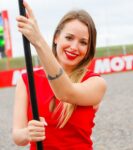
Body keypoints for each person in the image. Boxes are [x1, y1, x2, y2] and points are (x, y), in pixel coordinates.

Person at [12, 1, 107, 150]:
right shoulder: (26, 81)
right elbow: (18, 136)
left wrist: (38, 41)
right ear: (56, 37)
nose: (74, 47)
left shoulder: (95, 83)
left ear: (89, 48)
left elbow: (66, 93)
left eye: (83, 42)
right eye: (69, 38)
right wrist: (28, 133)